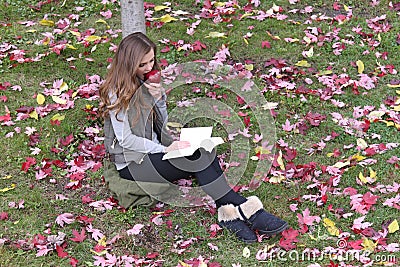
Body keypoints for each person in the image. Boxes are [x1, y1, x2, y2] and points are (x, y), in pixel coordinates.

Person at [99, 32, 288, 243]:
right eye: (143, 64)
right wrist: (165, 150)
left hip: (152, 150)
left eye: (152, 60)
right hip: (133, 163)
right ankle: (247, 210)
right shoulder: (116, 91)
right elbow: (125, 140)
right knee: (198, 157)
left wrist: (159, 99)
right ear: (128, 63)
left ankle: (228, 215)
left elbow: (163, 123)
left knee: (205, 148)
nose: (149, 67)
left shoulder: (145, 81)